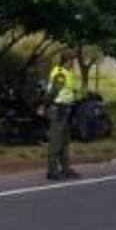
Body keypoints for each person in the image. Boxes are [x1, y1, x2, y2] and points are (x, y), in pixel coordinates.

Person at [42, 52, 80, 180]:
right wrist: (44, 106)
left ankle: (65, 169)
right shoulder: (60, 74)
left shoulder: (67, 73)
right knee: (56, 142)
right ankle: (52, 171)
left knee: (64, 142)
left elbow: (68, 91)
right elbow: (53, 92)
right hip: (57, 110)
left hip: (65, 110)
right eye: (72, 61)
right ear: (67, 61)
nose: (74, 64)